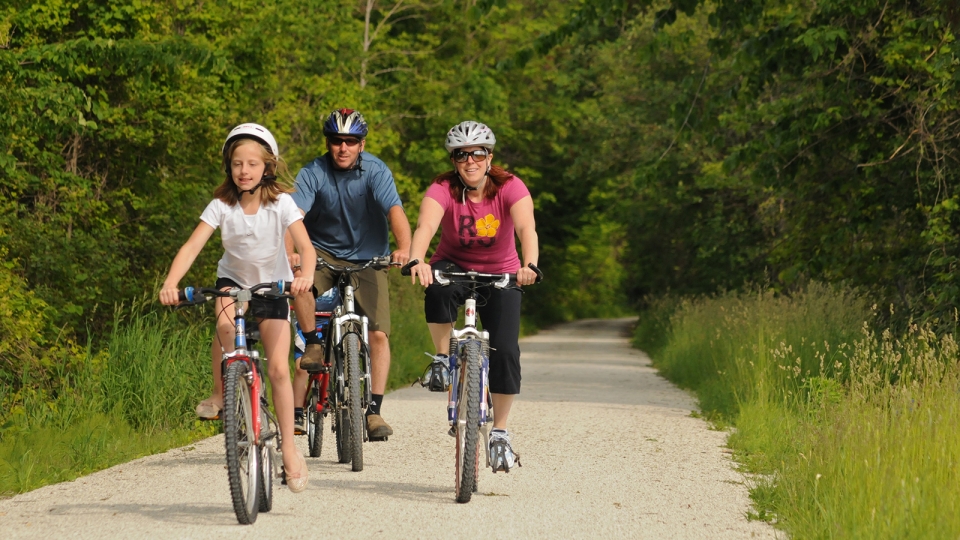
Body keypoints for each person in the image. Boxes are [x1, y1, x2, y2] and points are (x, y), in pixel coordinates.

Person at [159, 123, 314, 492]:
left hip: (273, 287)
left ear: (267, 167)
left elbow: (305, 248)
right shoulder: (221, 205)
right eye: (236, 164)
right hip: (232, 281)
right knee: (226, 327)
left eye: (252, 164)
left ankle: (290, 450)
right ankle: (220, 391)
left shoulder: (282, 204)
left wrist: (304, 276)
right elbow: (192, 247)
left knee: (278, 369)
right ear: (229, 168)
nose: (244, 171)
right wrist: (170, 283)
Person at [406, 121, 539, 472]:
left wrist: (530, 264)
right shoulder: (443, 187)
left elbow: (526, 227)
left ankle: (501, 432)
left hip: (503, 273)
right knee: (435, 284)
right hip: (454, 266)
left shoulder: (509, 185)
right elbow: (426, 227)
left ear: (489, 156)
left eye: (477, 153)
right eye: (462, 155)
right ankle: (441, 357)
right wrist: (417, 259)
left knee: (507, 350)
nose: (470, 161)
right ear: (454, 160)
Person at [289, 108, 411, 439]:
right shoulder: (313, 172)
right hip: (322, 254)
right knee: (300, 285)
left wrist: (404, 249)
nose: (343, 148)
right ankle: (314, 342)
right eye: (336, 141)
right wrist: (291, 253)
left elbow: (394, 210)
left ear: (362, 143)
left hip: (369, 258)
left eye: (351, 141)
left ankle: (374, 411)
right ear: (328, 143)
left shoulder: (376, 170)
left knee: (379, 334)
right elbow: (293, 215)